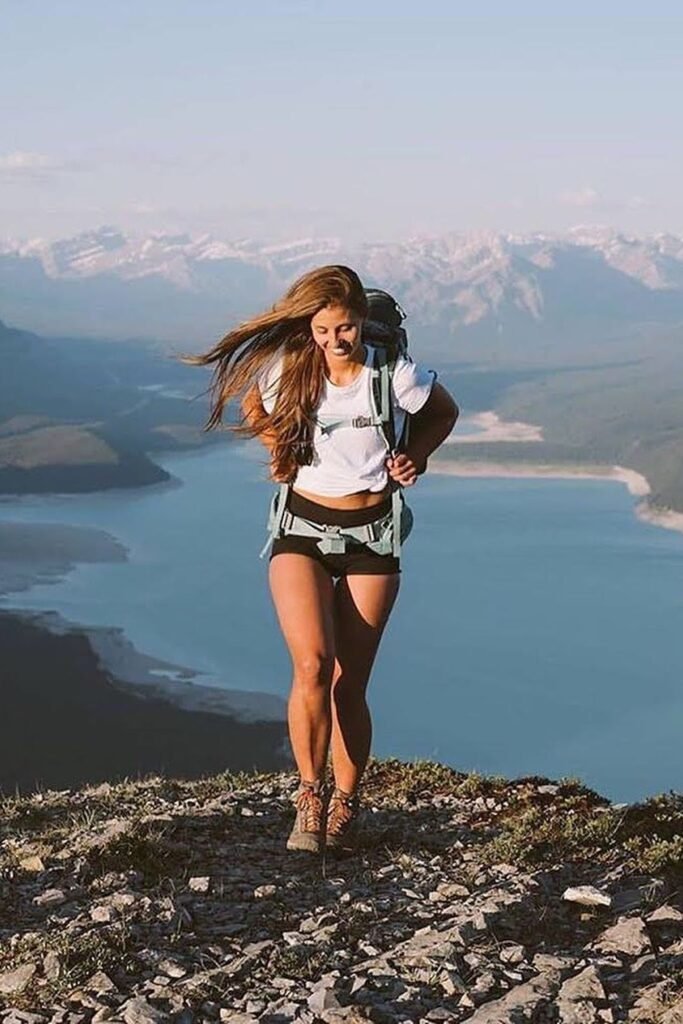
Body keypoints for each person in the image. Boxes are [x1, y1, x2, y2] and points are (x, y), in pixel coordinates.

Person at [182, 265, 458, 857]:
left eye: (348, 329)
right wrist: (279, 448)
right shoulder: (292, 370)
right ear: (310, 327)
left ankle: (347, 805)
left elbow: (444, 413)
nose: (337, 341)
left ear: (364, 325)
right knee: (311, 664)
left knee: (348, 683)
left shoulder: (395, 375)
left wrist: (416, 456)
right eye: (325, 329)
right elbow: (255, 405)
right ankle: (309, 796)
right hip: (301, 528)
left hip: (372, 534)